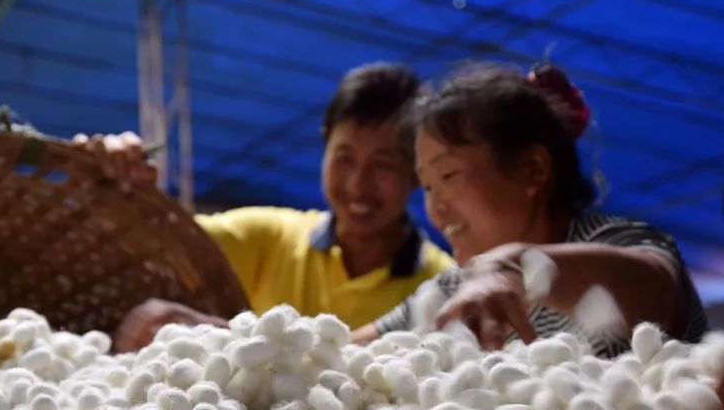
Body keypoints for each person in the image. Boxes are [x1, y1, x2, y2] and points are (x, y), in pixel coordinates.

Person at [74, 63, 453, 351]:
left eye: (383, 164)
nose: (358, 184)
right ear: (324, 147)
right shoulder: (268, 236)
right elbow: (156, 245)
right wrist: (118, 191)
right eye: (345, 158)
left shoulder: (441, 284)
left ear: (417, 172)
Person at [356, 64, 708, 358]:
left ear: (533, 169)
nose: (435, 206)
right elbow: (343, 352)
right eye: (427, 186)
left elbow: (656, 289)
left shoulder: (617, 243)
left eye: (448, 175)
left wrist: (516, 266)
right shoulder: (457, 288)